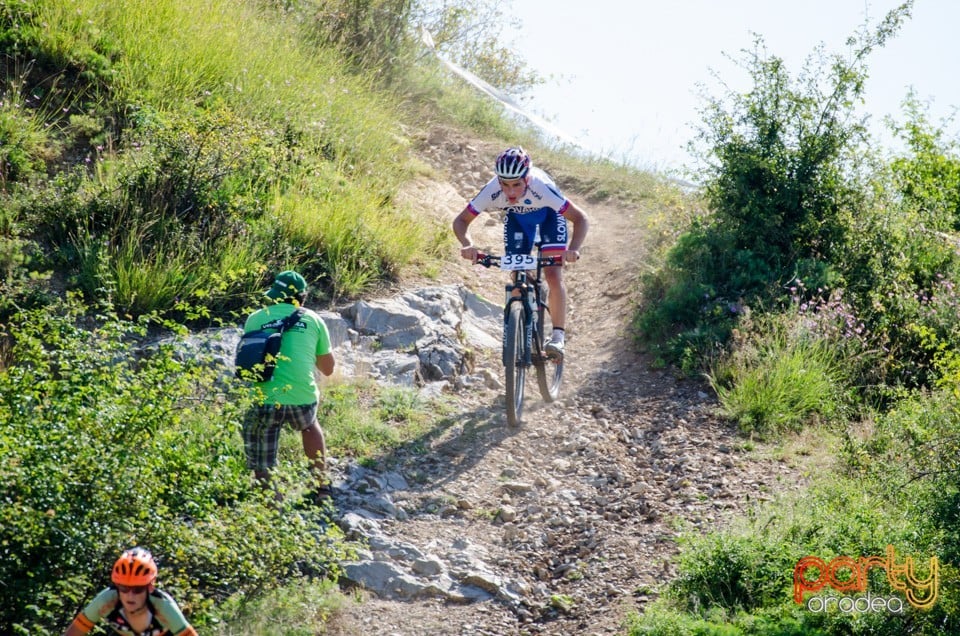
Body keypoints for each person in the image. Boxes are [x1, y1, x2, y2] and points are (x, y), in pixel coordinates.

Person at [453, 146, 590, 356]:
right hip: (518, 222)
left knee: (552, 274)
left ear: (527, 178)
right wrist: (467, 244)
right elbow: (461, 221)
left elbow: (580, 219)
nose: (510, 192)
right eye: (505, 185)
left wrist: (573, 249)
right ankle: (520, 329)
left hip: (549, 218)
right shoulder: (492, 189)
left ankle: (557, 338)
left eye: (517, 184)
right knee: (518, 274)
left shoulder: (541, 188)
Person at [241, 270, 336, 499]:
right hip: (302, 397)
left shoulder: (255, 318)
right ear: (302, 297)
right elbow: (328, 369)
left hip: (265, 397)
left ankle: (271, 499)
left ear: (274, 296)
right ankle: (321, 487)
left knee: (260, 440)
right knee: (310, 426)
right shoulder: (313, 319)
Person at [64, 547, 197, 636]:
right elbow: (74, 632)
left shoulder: (163, 606)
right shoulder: (107, 600)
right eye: (123, 588)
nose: (130, 595)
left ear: (150, 587)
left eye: (138, 590)